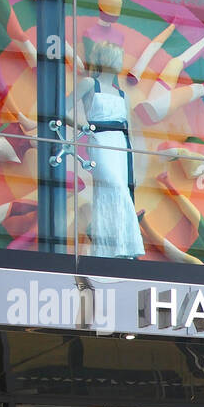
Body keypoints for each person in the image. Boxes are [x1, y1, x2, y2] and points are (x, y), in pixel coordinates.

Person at [76, 40, 144, 259]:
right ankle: (120, 247)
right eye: (117, 56)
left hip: (120, 146)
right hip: (100, 141)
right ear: (105, 57)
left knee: (118, 190)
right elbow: (62, 110)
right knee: (115, 188)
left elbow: (129, 130)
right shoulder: (88, 84)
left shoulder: (122, 94)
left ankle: (116, 249)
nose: (120, 61)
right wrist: (85, 128)